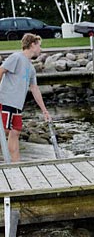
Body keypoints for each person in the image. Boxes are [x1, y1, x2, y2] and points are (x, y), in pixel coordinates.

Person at [0, 33, 51, 162]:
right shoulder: (16, 57)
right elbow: (1, 71)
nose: (41, 49)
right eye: (39, 46)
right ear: (32, 45)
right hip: (6, 100)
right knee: (3, 131)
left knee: (15, 132)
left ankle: (16, 165)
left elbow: (35, 89)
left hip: (17, 105)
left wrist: (44, 110)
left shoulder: (31, 68)